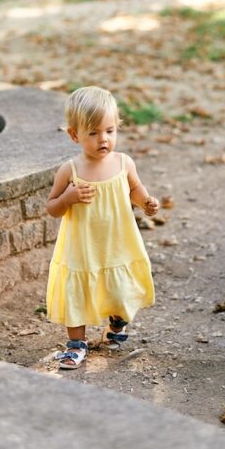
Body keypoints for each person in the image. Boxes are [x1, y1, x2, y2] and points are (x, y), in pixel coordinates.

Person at [45, 86, 159, 369]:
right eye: (93, 133)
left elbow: (133, 188)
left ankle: (116, 325)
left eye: (109, 130)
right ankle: (76, 344)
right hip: (82, 247)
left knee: (120, 291)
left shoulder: (123, 162)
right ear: (75, 135)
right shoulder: (69, 170)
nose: (103, 139)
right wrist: (68, 197)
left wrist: (145, 201)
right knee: (77, 292)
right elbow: (52, 208)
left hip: (116, 243)